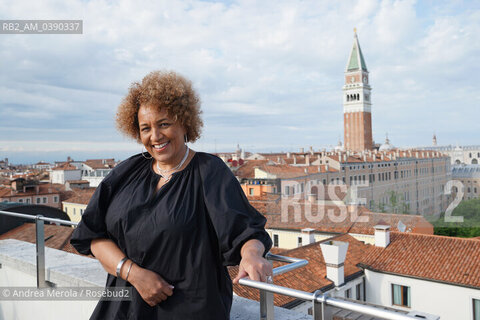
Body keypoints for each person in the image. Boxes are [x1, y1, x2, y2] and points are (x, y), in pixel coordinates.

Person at [70, 70, 273, 319]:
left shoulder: (209, 171)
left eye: (164, 124)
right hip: (121, 310)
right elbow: (93, 236)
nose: (155, 137)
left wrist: (251, 255)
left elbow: (246, 232)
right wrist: (135, 274)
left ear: (184, 122)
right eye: (146, 128)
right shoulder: (127, 171)